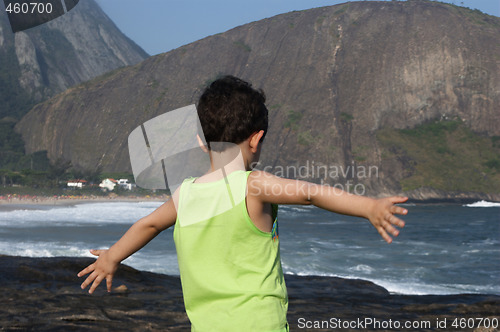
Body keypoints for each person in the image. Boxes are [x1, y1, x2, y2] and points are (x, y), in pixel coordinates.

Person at [78, 75, 408, 331]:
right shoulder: (253, 186)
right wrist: (369, 207)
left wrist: (112, 257)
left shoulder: (185, 193)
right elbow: (311, 193)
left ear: (200, 141)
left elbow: (148, 224)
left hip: (207, 326)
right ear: (257, 139)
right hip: (259, 324)